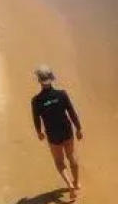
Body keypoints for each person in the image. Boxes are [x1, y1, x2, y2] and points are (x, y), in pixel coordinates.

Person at [30, 65, 82, 196]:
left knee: (59, 161)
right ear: (52, 78)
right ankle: (76, 183)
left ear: (39, 81)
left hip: (53, 134)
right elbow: (71, 112)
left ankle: (69, 184)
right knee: (71, 156)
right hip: (67, 130)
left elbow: (36, 119)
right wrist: (78, 128)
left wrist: (39, 132)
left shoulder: (36, 101)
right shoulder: (62, 94)